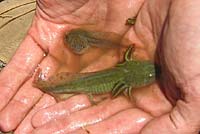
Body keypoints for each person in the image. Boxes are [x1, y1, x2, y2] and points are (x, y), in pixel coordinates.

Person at [0, 0, 200, 133]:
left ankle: (47, 84)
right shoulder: (126, 86)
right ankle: (45, 84)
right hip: (89, 81)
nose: (153, 73)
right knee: (77, 85)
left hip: (100, 77)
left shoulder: (126, 71)